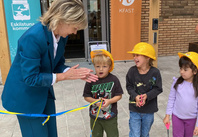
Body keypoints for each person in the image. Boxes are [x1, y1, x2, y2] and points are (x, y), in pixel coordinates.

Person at [1, 0, 98, 136]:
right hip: (25, 98)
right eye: (75, 27)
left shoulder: (61, 36)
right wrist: (63, 76)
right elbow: (30, 77)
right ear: (62, 20)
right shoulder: (33, 38)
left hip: (44, 92)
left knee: (52, 133)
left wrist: (72, 72)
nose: (75, 32)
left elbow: (57, 64)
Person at [163, 52, 198, 137]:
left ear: (194, 71)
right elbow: (171, 99)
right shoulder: (177, 83)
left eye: (185, 69)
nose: (181, 72)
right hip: (177, 117)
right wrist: (167, 115)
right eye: (181, 68)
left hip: (191, 119)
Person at [83, 49, 123, 137]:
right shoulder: (91, 79)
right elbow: (86, 96)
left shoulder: (114, 79)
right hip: (95, 117)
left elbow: (119, 95)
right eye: (97, 66)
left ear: (109, 67)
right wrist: (94, 101)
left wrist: (110, 101)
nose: (101, 69)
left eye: (104, 66)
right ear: (94, 66)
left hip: (110, 117)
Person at [126, 42, 163, 137]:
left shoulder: (155, 72)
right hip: (135, 109)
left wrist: (147, 96)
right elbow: (129, 86)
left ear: (147, 57)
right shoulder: (131, 71)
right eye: (134, 55)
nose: (134, 57)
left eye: (137, 55)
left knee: (145, 134)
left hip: (149, 111)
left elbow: (158, 89)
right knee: (135, 134)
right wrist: (135, 96)